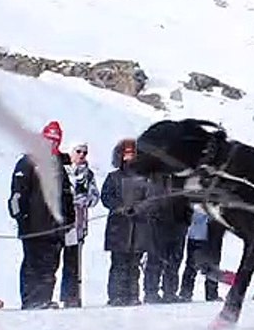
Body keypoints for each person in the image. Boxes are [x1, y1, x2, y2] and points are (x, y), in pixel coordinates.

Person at [9, 120, 75, 309]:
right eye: (48, 140)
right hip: (33, 226)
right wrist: (21, 219)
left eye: (55, 141)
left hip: (55, 228)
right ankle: (31, 300)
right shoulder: (27, 162)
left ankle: (44, 298)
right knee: (32, 264)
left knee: (51, 266)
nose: (51, 144)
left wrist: (70, 220)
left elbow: (66, 196)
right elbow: (16, 195)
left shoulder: (58, 166)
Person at [101, 138, 157, 306]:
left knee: (134, 264)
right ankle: (116, 296)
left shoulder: (145, 178)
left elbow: (152, 198)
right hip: (119, 227)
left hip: (139, 227)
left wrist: (138, 209)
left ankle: (132, 295)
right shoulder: (113, 177)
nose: (129, 157)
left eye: (132, 153)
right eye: (126, 153)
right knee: (118, 264)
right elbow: (106, 197)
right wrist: (120, 208)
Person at [61, 142, 100, 308]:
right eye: (78, 151)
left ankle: (72, 296)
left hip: (78, 223)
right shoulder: (62, 171)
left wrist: (86, 200)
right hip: (60, 222)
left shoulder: (89, 174)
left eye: (85, 152)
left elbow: (95, 196)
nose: (82, 155)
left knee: (74, 261)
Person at [143, 174, 191, 303]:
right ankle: (151, 292)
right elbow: (149, 198)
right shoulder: (155, 177)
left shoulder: (182, 178)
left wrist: (187, 219)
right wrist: (154, 214)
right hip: (159, 223)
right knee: (155, 259)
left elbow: (188, 199)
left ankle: (170, 291)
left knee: (175, 259)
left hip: (179, 222)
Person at [179, 204, 223, 302]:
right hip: (201, 235)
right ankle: (188, 293)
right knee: (195, 264)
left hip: (202, 235)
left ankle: (188, 293)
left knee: (199, 264)